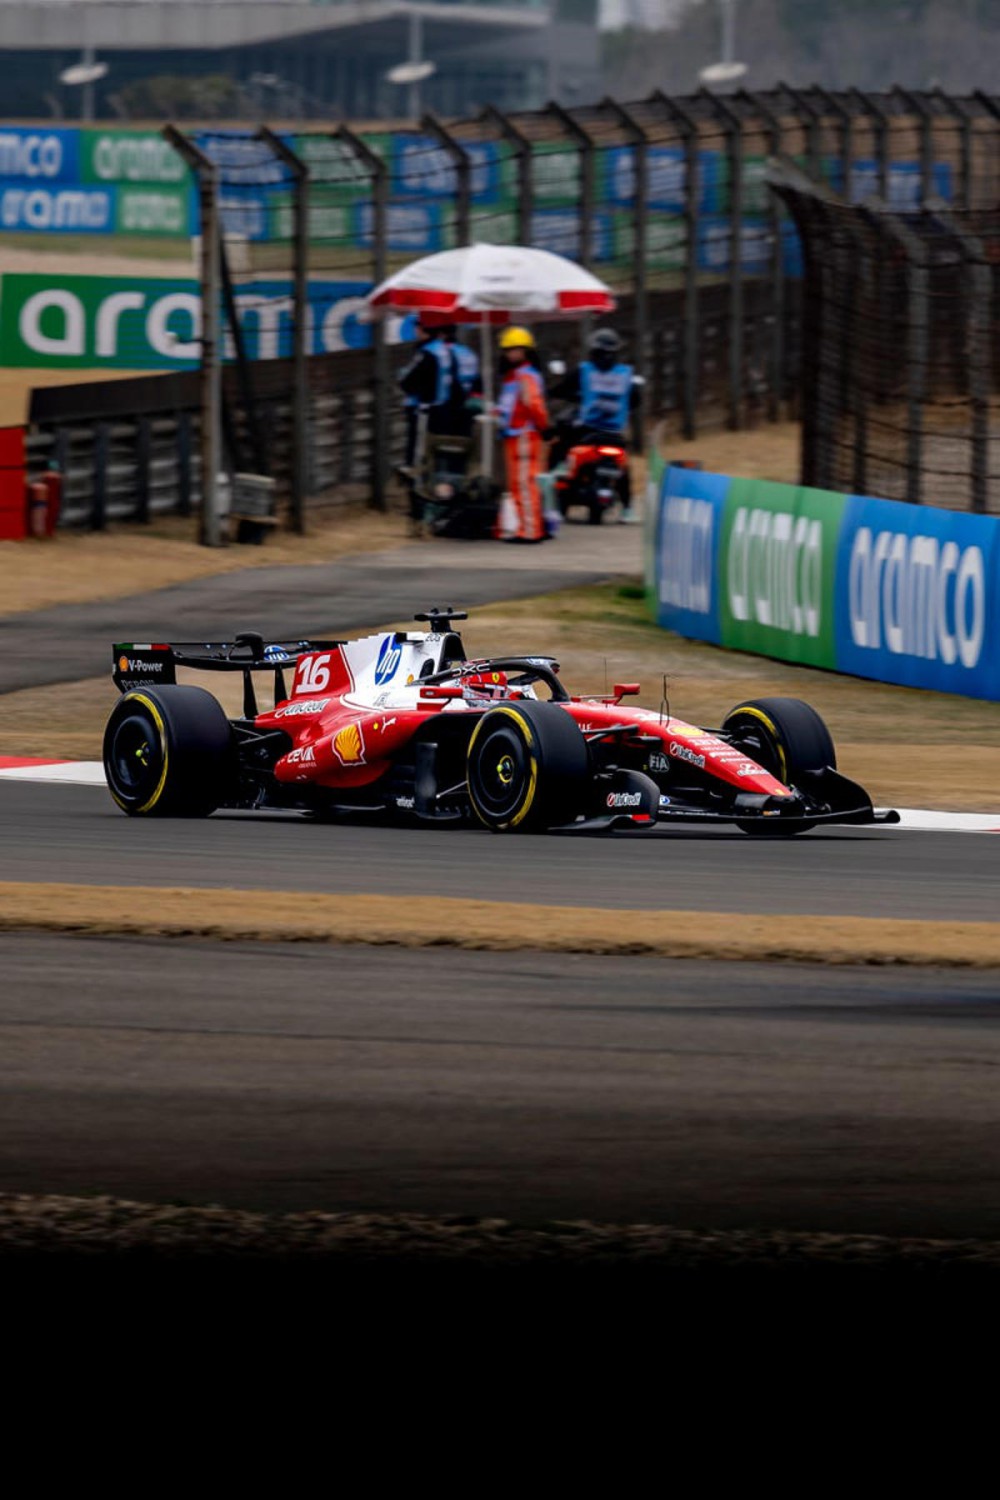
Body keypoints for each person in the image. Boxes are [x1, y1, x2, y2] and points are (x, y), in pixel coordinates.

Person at [547, 327, 642, 522]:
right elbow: (636, 399)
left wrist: (551, 393)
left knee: (561, 437)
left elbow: (562, 389)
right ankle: (628, 509)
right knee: (624, 468)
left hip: (588, 429)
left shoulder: (585, 371)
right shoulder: (626, 374)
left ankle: (561, 471)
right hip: (615, 431)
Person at [497, 326, 551, 545]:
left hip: (524, 435)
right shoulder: (513, 377)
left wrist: (544, 427)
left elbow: (534, 405)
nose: (511, 354)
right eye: (508, 350)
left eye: (516, 350)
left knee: (524, 483)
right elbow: (509, 406)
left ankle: (529, 530)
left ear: (526, 351)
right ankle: (527, 526)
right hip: (513, 435)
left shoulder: (525, 376)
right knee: (519, 484)